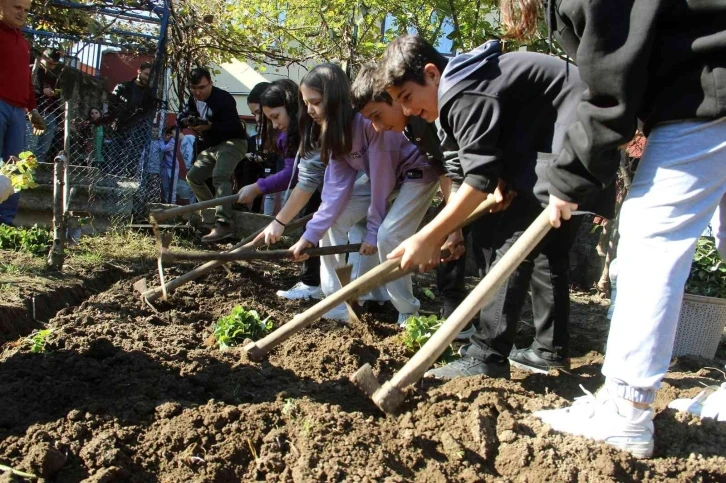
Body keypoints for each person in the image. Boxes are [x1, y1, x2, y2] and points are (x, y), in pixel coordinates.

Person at [493, 0, 726, 459]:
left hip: (707, 86)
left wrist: (568, 178)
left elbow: (610, 88)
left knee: (649, 237)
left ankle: (625, 409)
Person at [377, 35, 610, 379]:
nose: (408, 110)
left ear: (431, 73)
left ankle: (486, 355)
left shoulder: (461, 90)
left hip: (573, 139)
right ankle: (549, 350)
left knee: (508, 241)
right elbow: (463, 168)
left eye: (407, 97)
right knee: (548, 252)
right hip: (563, 143)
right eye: (400, 102)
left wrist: (428, 234)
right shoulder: (456, 90)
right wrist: (458, 219)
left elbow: (479, 179)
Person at [288, 63, 440, 325]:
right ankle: (336, 301)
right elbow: (334, 192)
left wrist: (372, 230)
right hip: (383, 178)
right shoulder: (335, 133)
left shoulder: (371, 123)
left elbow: (382, 179)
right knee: (332, 223)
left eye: (315, 102)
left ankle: (407, 311)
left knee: (388, 235)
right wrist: (310, 234)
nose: (310, 110)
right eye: (306, 103)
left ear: (334, 99)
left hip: (416, 172)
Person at [352, 62, 486, 340]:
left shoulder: (428, 116)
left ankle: (480, 334)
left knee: (482, 246)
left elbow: (457, 170)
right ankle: (462, 322)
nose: (376, 128)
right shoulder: (413, 127)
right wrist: (452, 228)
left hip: (484, 179)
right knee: (451, 234)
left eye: (377, 115)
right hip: (466, 179)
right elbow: (445, 170)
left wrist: (451, 228)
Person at [180, 67, 248, 242]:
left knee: (220, 176)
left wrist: (209, 126)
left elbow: (233, 126)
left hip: (234, 142)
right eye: (194, 88)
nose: (198, 92)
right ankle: (211, 215)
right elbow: (182, 116)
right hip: (212, 146)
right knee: (193, 177)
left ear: (210, 83)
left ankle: (224, 224)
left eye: (202, 87)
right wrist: (186, 121)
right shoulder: (192, 99)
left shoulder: (223, 98)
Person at [0, 0, 45, 225]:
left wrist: (32, 109)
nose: (22, 14)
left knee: (16, 167)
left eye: (26, 10)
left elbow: (26, 81)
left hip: (18, 112)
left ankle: (6, 220)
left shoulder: (24, 43)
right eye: (17, 7)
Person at [105, 62, 156, 179]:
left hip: (137, 130)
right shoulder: (123, 87)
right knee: (115, 155)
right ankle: (112, 177)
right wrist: (116, 118)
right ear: (139, 71)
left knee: (132, 157)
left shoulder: (149, 93)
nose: (147, 78)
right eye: (145, 74)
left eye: (149, 76)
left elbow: (148, 111)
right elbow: (112, 104)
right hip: (120, 126)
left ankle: (128, 178)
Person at [29, 48, 61, 163]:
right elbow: (29, 89)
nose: (51, 66)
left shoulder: (54, 75)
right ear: (42, 58)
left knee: (44, 147)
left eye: (54, 64)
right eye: (49, 63)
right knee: (30, 144)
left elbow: (58, 98)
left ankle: (39, 168)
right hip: (34, 110)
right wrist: (42, 90)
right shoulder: (33, 70)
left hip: (49, 112)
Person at [177, 132, 196, 204]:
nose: (172, 136)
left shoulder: (188, 138)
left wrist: (191, 165)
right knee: (191, 189)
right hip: (190, 167)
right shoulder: (181, 143)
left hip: (194, 165)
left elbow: (192, 151)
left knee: (193, 188)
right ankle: (193, 208)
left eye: (172, 133)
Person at [159, 126, 176, 203]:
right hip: (165, 167)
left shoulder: (172, 141)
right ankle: (166, 202)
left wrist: (161, 141)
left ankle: (172, 203)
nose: (167, 136)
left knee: (173, 188)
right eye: (166, 135)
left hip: (173, 167)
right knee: (165, 187)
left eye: (169, 135)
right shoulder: (165, 141)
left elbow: (163, 149)